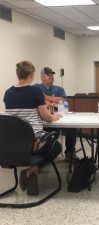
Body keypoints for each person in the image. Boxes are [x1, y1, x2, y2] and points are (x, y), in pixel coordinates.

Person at [3, 60, 61, 195]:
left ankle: (32, 171)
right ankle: (33, 170)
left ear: (18, 74)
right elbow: (47, 117)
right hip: (33, 142)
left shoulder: (8, 93)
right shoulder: (35, 91)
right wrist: (56, 117)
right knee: (56, 146)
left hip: (13, 143)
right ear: (32, 74)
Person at [33, 67, 78, 162]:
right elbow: (35, 100)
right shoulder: (36, 88)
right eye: (48, 75)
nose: (51, 77)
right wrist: (52, 102)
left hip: (58, 119)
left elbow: (64, 101)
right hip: (43, 120)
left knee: (72, 128)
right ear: (42, 77)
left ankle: (70, 152)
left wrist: (45, 97)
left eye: (52, 75)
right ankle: (44, 154)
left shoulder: (59, 89)